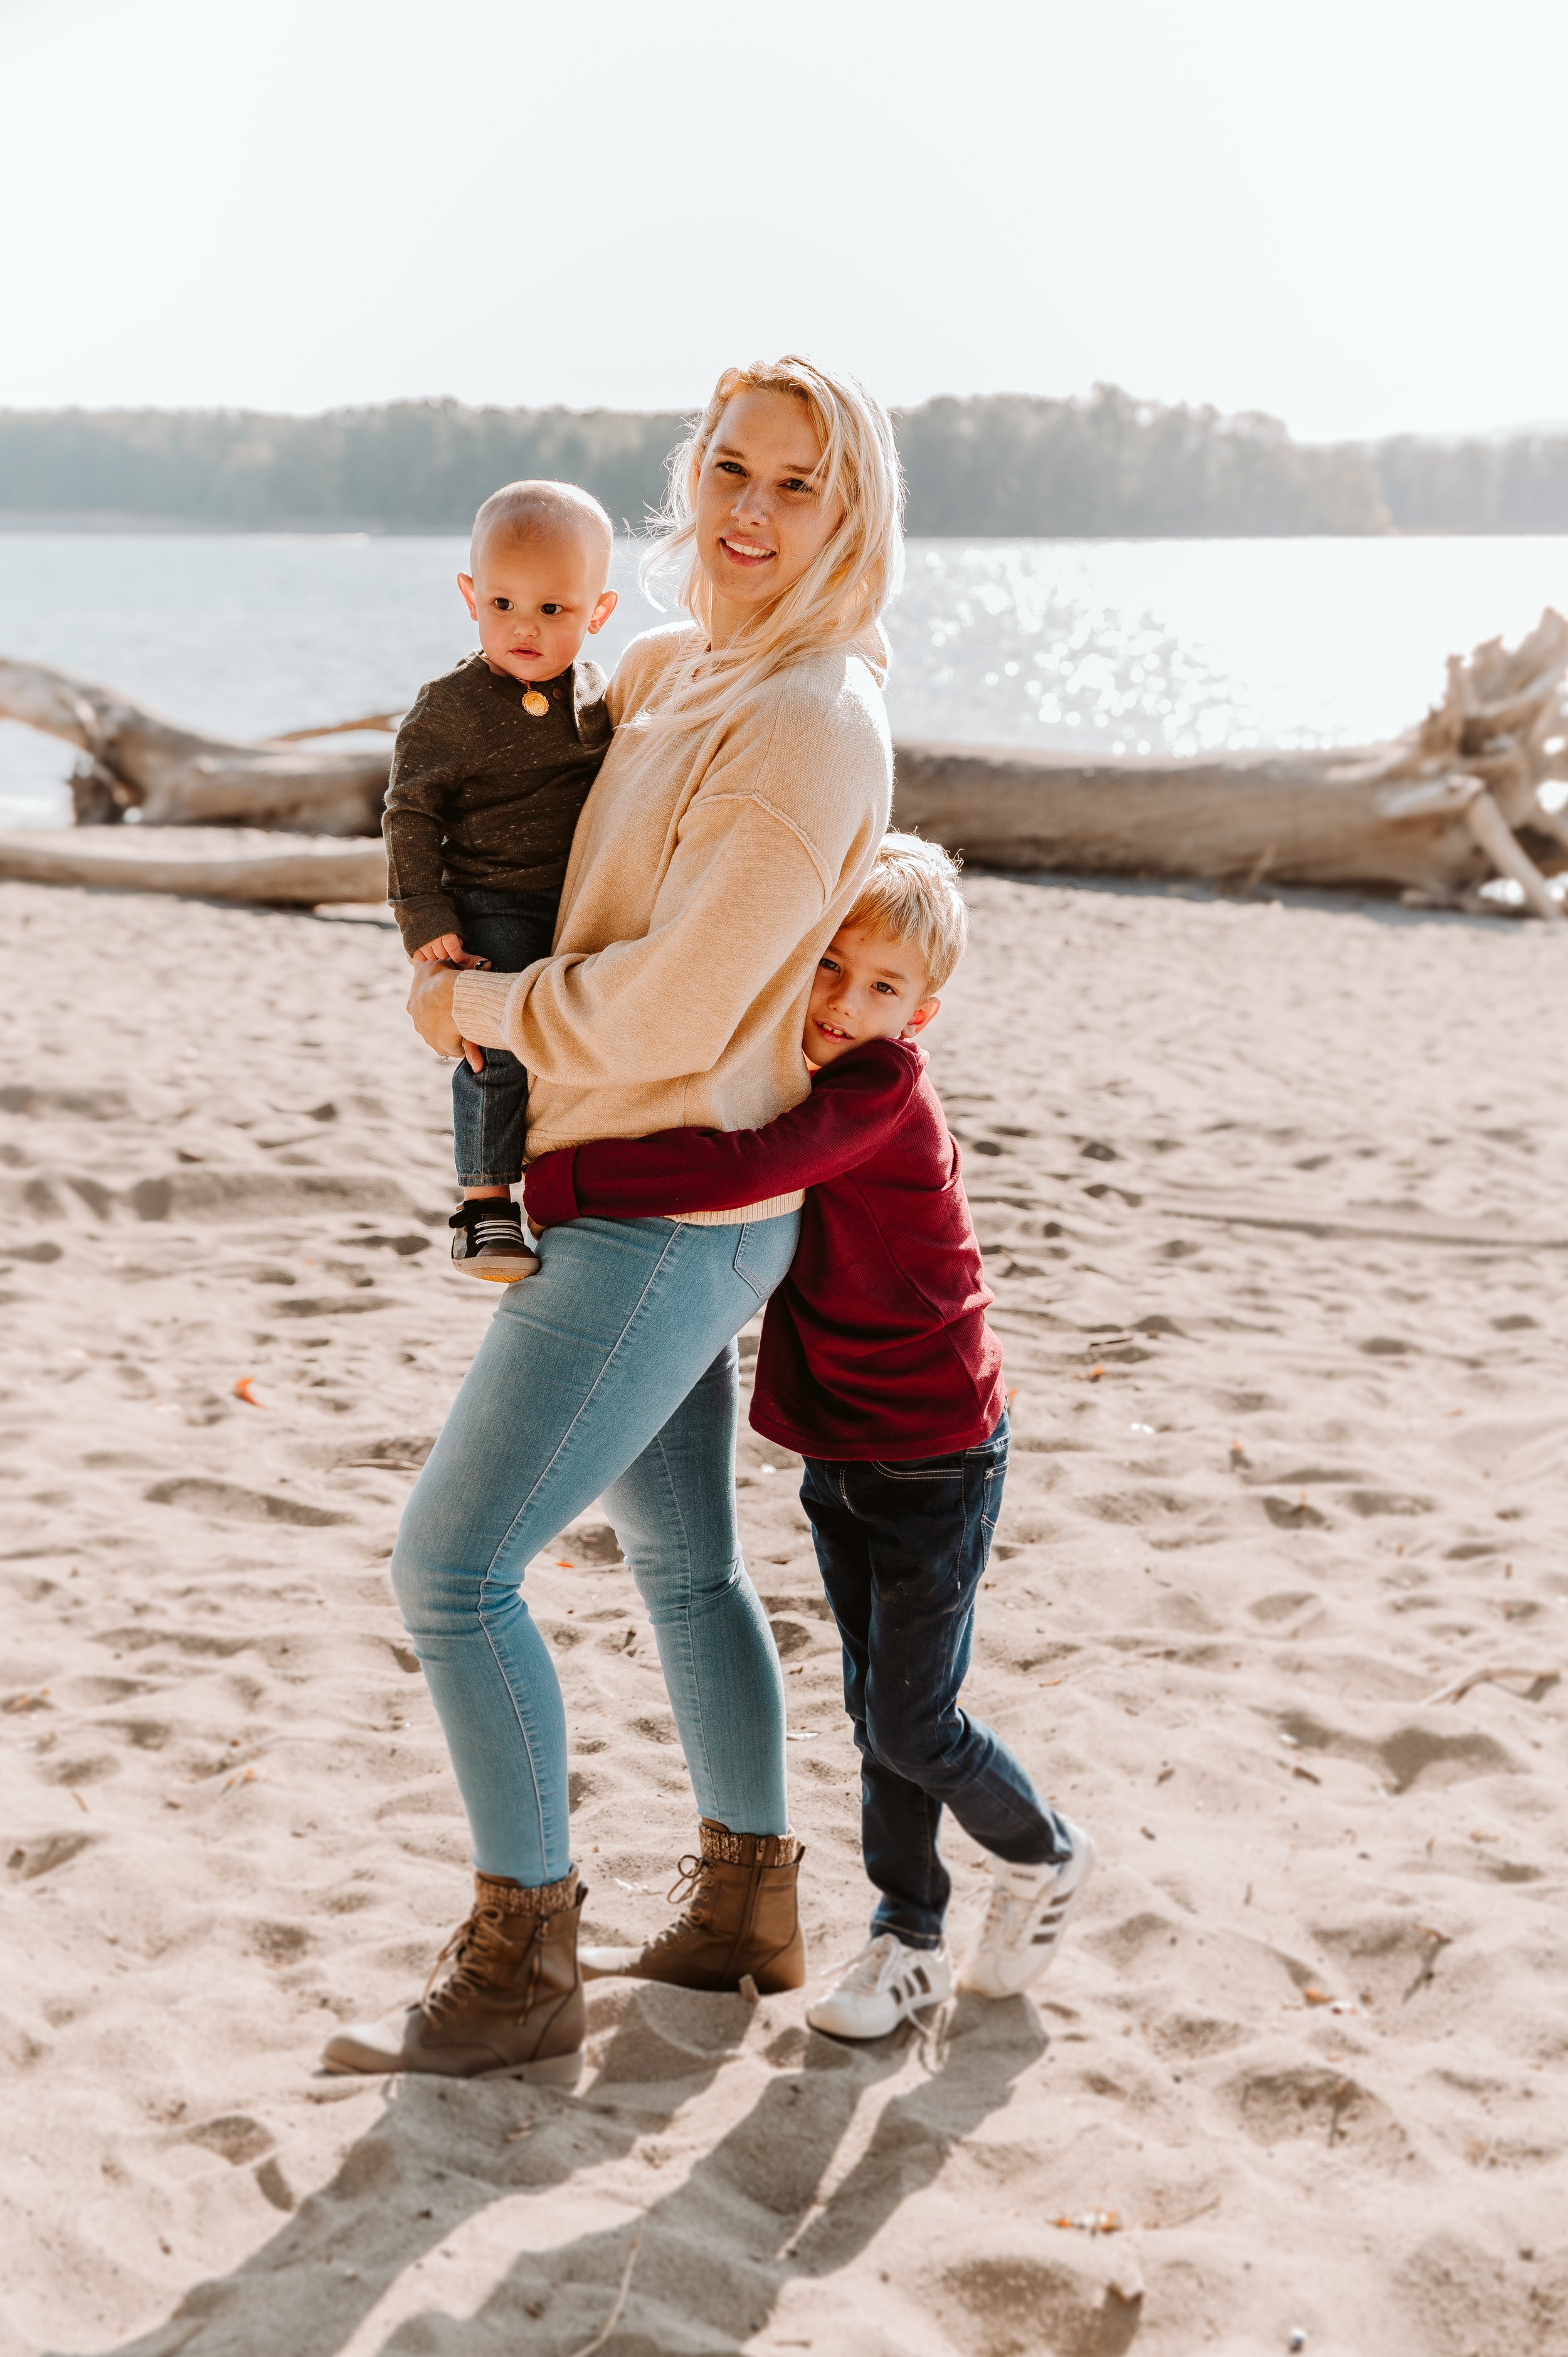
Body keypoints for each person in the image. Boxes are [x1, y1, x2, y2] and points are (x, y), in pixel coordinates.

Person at [323, 356, 902, 2085]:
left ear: (851, 513)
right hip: (655, 1184)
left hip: (665, 1201)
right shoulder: (663, 671)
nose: (749, 510)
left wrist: (469, 1011)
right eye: (730, 467)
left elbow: (668, 1004)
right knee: (685, 1561)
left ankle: (520, 1960)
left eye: (797, 483)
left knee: (451, 1568)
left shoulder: (806, 721)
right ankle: (748, 1905)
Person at [522, 832, 1095, 2041]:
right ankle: (910, 1938)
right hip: (844, 1449)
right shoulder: (790, 1060)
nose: (844, 1000)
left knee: (915, 1720)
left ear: (919, 1012)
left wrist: (565, 1181)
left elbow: (752, 1166)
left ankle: (1044, 1851)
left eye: (882, 986)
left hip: (938, 1451)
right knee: (877, 1709)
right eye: (828, 965)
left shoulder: (879, 1090)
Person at [382, 479, 617, 1282]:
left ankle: (571, 1186)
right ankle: (483, 1208)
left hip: (581, 903)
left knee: (580, 1040)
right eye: (503, 604)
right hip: (491, 902)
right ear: (469, 596)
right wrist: (422, 913)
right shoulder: (451, 706)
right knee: (496, 1048)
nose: (525, 626)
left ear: (598, 612)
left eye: (553, 609)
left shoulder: (596, 695)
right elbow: (409, 811)